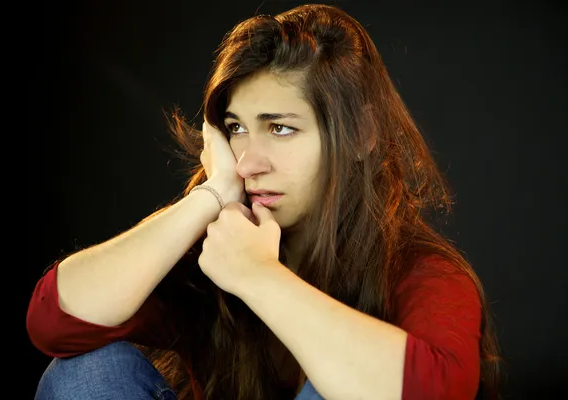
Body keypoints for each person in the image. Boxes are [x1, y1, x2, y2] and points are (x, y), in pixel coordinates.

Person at [27, 3, 502, 400]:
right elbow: (55, 323)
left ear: (361, 134)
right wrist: (208, 196)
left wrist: (258, 277)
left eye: (280, 128)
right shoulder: (208, 258)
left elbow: (435, 392)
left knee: (338, 383)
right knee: (83, 372)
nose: (249, 161)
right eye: (236, 129)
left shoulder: (424, 273)